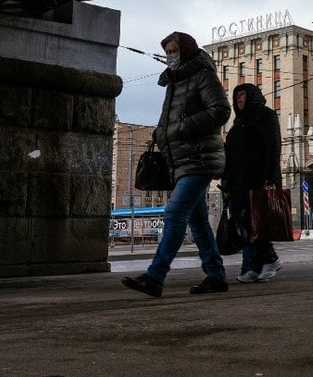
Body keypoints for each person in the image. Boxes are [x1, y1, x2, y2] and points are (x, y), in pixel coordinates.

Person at [122, 31, 231, 298]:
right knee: (198, 222)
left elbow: (220, 110)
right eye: (168, 52)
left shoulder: (203, 76)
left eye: (174, 51)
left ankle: (155, 276)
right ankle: (216, 275)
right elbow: (167, 120)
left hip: (199, 159)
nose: (170, 57)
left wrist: (178, 129)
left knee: (174, 214)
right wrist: (161, 132)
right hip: (180, 161)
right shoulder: (173, 82)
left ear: (187, 51)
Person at [222, 83, 284, 283]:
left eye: (242, 95)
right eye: (237, 96)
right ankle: (256, 266)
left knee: (259, 224)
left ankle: (271, 260)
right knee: (246, 225)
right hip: (239, 183)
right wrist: (227, 183)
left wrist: (270, 177)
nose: (239, 99)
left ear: (252, 96)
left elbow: (273, 146)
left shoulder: (266, 115)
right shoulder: (238, 121)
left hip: (259, 179)